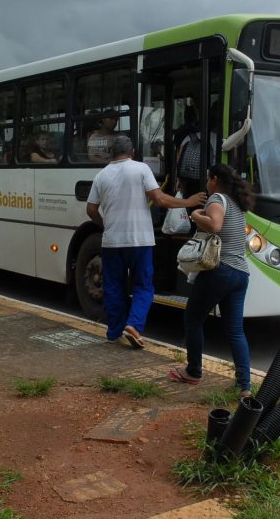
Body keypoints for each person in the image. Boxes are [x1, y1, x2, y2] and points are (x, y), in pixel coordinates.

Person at [86, 135, 206, 348]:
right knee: (143, 286)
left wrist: (105, 225)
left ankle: (114, 332)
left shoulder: (101, 176)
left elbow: (91, 210)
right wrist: (188, 201)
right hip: (140, 241)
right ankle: (134, 324)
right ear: (132, 152)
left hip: (112, 242)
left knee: (114, 287)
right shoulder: (140, 169)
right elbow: (159, 199)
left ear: (112, 154)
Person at [169, 164, 256, 398]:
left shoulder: (217, 199)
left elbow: (215, 226)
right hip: (240, 274)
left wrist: (196, 214)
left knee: (193, 318)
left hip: (220, 270)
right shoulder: (239, 204)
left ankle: (194, 371)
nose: (207, 184)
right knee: (236, 331)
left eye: (208, 179)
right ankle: (244, 386)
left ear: (215, 179)